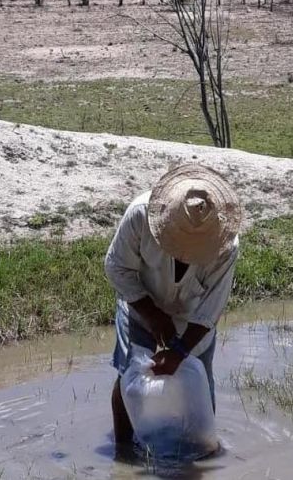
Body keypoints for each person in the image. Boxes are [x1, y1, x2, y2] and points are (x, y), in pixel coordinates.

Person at [105, 164, 242, 446]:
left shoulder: (225, 244)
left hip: (193, 317)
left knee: (199, 379)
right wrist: (152, 315)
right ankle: (123, 454)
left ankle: (201, 453)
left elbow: (210, 309)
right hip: (141, 303)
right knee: (130, 375)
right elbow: (116, 267)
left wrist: (179, 351)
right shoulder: (141, 215)